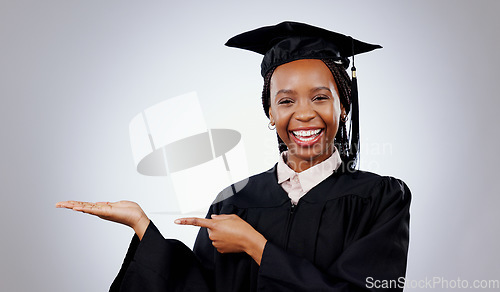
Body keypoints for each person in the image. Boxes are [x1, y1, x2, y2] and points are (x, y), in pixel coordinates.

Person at [56, 21, 411, 291]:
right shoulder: (234, 202)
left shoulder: (380, 198)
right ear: (270, 114)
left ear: (344, 106)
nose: (304, 114)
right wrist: (143, 227)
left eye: (320, 97)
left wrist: (256, 246)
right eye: (286, 101)